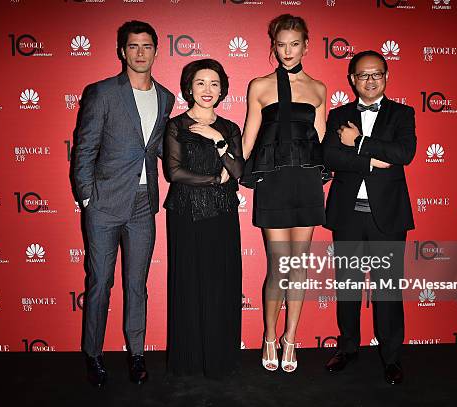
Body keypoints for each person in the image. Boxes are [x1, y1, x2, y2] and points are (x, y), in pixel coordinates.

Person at [73, 20, 175, 387]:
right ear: (122, 51)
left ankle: (136, 354)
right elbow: (84, 148)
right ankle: (94, 355)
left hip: (143, 204)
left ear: (156, 50)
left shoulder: (166, 97)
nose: (140, 53)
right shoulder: (102, 93)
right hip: (103, 203)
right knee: (100, 282)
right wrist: (87, 197)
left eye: (146, 46)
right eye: (133, 46)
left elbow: (161, 148)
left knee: (138, 285)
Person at [322, 50, 416, 385]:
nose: (370, 80)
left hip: (386, 216)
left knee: (387, 289)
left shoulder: (403, 114)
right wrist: (372, 160)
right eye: (363, 75)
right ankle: (347, 348)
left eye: (377, 73)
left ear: (387, 76)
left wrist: (358, 142)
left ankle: (391, 357)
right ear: (352, 79)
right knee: (347, 285)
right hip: (348, 214)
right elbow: (331, 155)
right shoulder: (339, 115)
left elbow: (403, 154)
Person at [241, 14, 327, 373]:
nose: (288, 51)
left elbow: (322, 141)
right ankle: (270, 335)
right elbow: (248, 140)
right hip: (274, 183)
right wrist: (222, 172)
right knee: (279, 264)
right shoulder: (259, 85)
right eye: (281, 44)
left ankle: (292, 338)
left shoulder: (319, 89)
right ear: (273, 46)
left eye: (295, 44)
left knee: (299, 265)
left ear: (306, 46)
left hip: (306, 182)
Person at [164, 58, 244, 378]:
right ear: (189, 87)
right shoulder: (176, 126)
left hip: (222, 215)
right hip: (186, 214)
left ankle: (220, 359)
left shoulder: (229, 128)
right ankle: (189, 361)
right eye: (200, 83)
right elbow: (174, 172)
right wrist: (214, 179)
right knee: (188, 284)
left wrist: (217, 139)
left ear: (222, 88)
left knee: (221, 285)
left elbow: (239, 171)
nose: (207, 89)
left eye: (214, 83)